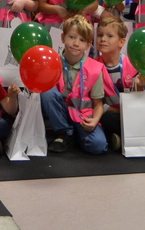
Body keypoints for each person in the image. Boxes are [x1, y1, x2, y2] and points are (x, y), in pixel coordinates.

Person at [41, 15, 108, 154]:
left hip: (83, 115)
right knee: (46, 91)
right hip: (61, 112)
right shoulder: (52, 62)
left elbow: (98, 104)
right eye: (72, 37)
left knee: (99, 146)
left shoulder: (95, 68)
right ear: (63, 37)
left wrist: (95, 120)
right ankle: (64, 132)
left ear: (88, 44)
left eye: (82, 40)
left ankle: (76, 135)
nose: (76, 43)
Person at [93, 15, 139, 150]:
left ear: (121, 42)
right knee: (108, 118)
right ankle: (124, 137)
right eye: (100, 35)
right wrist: (121, 111)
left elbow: (140, 99)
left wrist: (140, 84)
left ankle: (120, 138)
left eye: (109, 36)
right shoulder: (92, 67)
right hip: (111, 113)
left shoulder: (134, 65)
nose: (103, 39)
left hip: (133, 113)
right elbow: (96, 103)